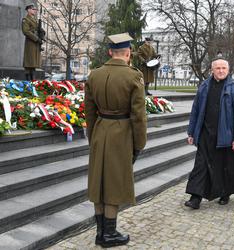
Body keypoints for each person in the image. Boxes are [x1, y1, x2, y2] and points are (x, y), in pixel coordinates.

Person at [84, 32, 147, 248]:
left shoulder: (94, 75)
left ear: (111, 52)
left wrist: (92, 137)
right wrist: (139, 144)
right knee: (113, 183)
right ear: (128, 53)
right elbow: (138, 116)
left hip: (100, 131)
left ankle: (101, 232)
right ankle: (109, 235)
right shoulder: (134, 76)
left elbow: (89, 112)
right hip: (121, 134)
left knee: (98, 182)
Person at [184, 58, 234, 209]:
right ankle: (195, 197)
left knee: (225, 166)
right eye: (217, 68)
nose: (221, 71)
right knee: (200, 166)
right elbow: (195, 110)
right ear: (212, 70)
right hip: (205, 134)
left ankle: (225, 193)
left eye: (223, 68)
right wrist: (191, 132)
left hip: (225, 134)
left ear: (228, 70)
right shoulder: (204, 86)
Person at [22, 3, 44, 81]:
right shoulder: (26, 19)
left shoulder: (35, 19)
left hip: (35, 44)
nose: (35, 11)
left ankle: (33, 81)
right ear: (28, 10)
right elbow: (26, 31)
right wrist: (36, 38)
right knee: (29, 62)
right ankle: (28, 81)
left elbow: (38, 30)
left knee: (33, 63)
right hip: (30, 43)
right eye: (33, 9)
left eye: (35, 9)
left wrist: (42, 34)